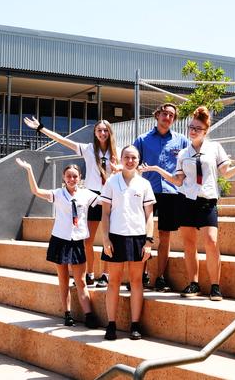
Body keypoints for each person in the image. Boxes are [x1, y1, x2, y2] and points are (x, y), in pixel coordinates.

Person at [141, 106, 235, 301]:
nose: (193, 130)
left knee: (211, 242)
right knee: (189, 244)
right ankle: (193, 283)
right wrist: (156, 169)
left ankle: (215, 286)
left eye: (197, 128)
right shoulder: (183, 153)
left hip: (207, 200)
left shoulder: (215, 148)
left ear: (205, 131)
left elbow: (226, 173)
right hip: (186, 200)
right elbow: (178, 180)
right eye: (191, 127)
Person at [24, 116, 119, 288]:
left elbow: (127, 170)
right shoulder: (88, 149)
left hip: (109, 196)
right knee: (87, 239)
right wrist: (41, 128)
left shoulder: (116, 152)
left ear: (110, 132)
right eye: (99, 130)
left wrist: (117, 170)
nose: (103, 133)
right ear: (95, 133)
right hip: (91, 196)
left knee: (109, 237)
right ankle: (89, 273)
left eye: (106, 130)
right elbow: (62, 140)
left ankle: (106, 274)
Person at [15, 159, 100, 328]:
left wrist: (115, 175)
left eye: (75, 176)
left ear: (80, 178)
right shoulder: (58, 194)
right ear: (63, 177)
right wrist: (29, 169)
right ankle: (67, 313)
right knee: (63, 279)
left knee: (81, 280)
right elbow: (36, 191)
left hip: (77, 242)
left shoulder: (87, 194)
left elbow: (106, 200)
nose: (72, 179)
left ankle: (88, 314)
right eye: (68, 176)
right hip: (60, 240)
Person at [99, 145, 155, 340]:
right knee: (113, 281)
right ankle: (111, 325)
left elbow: (149, 215)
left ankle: (135, 325)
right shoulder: (111, 183)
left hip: (138, 238)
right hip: (115, 237)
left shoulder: (144, 185)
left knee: (136, 281)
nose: (130, 161)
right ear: (121, 158)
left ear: (138, 160)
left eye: (134, 157)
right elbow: (105, 213)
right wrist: (105, 238)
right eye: (127, 157)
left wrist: (148, 241)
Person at [133, 103, 189, 292]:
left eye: (171, 115)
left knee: (165, 235)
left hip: (171, 193)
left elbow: (189, 162)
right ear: (157, 115)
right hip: (147, 191)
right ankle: (142, 273)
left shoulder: (181, 141)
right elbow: (132, 162)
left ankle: (161, 277)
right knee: (142, 234)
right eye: (164, 114)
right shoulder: (142, 139)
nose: (167, 117)